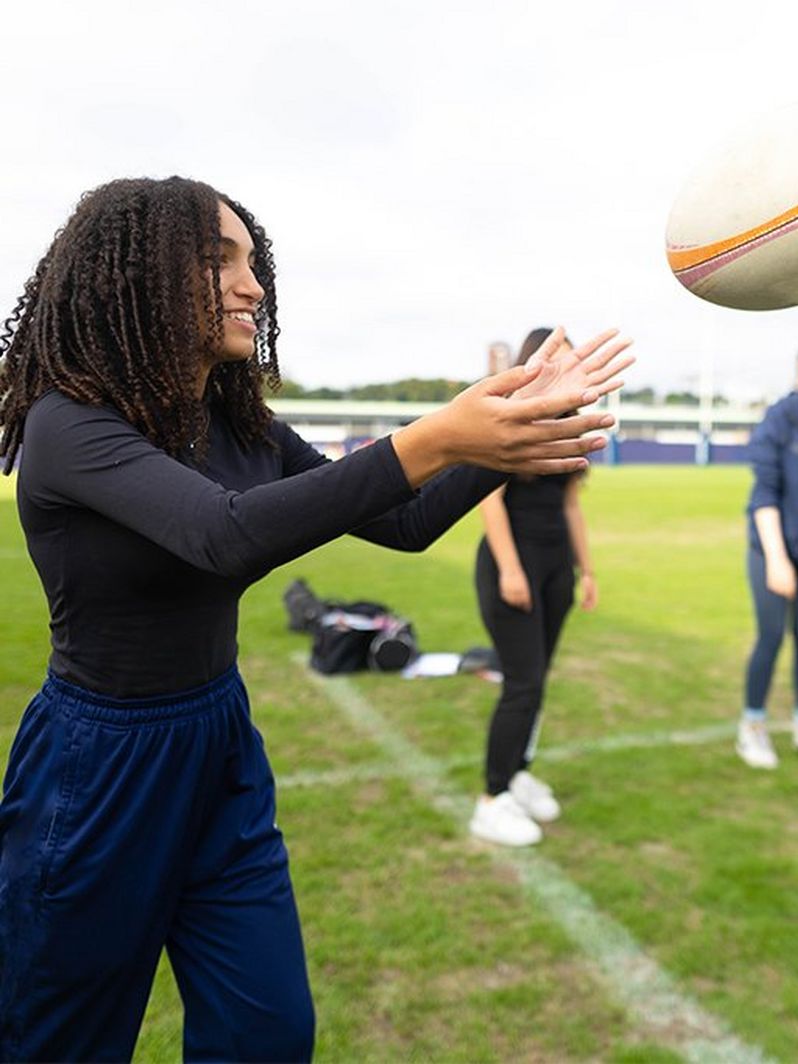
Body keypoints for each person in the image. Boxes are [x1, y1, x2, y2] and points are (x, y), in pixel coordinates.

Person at [0, 177, 632, 1062]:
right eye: (218, 260)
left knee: (269, 1031)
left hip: (219, 745)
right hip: (97, 769)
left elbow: (404, 521)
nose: (252, 284)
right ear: (136, 275)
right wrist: (438, 435)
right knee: (63, 1040)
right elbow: (223, 536)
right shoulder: (72, 424)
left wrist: (515, 427)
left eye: (251, 262)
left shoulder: (239, 425)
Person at [470, 327, 600, 847]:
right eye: (561, 360)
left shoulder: (571, 426)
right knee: (522, 684)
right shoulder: (512, 417)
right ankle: (491, 798)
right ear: (536, 363)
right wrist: (511, 569)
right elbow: (490, 501)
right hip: (512, 565)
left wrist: (586, 570)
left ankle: (518, 772)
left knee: (537, 683)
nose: (569, 368)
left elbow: (571, 504)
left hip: (555, 568)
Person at [740, 355, 798, 769]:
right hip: (772, 551)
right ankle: (753, 725)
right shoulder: (781, 419)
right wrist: (779, 560)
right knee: (771, 636)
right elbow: (764, 495)